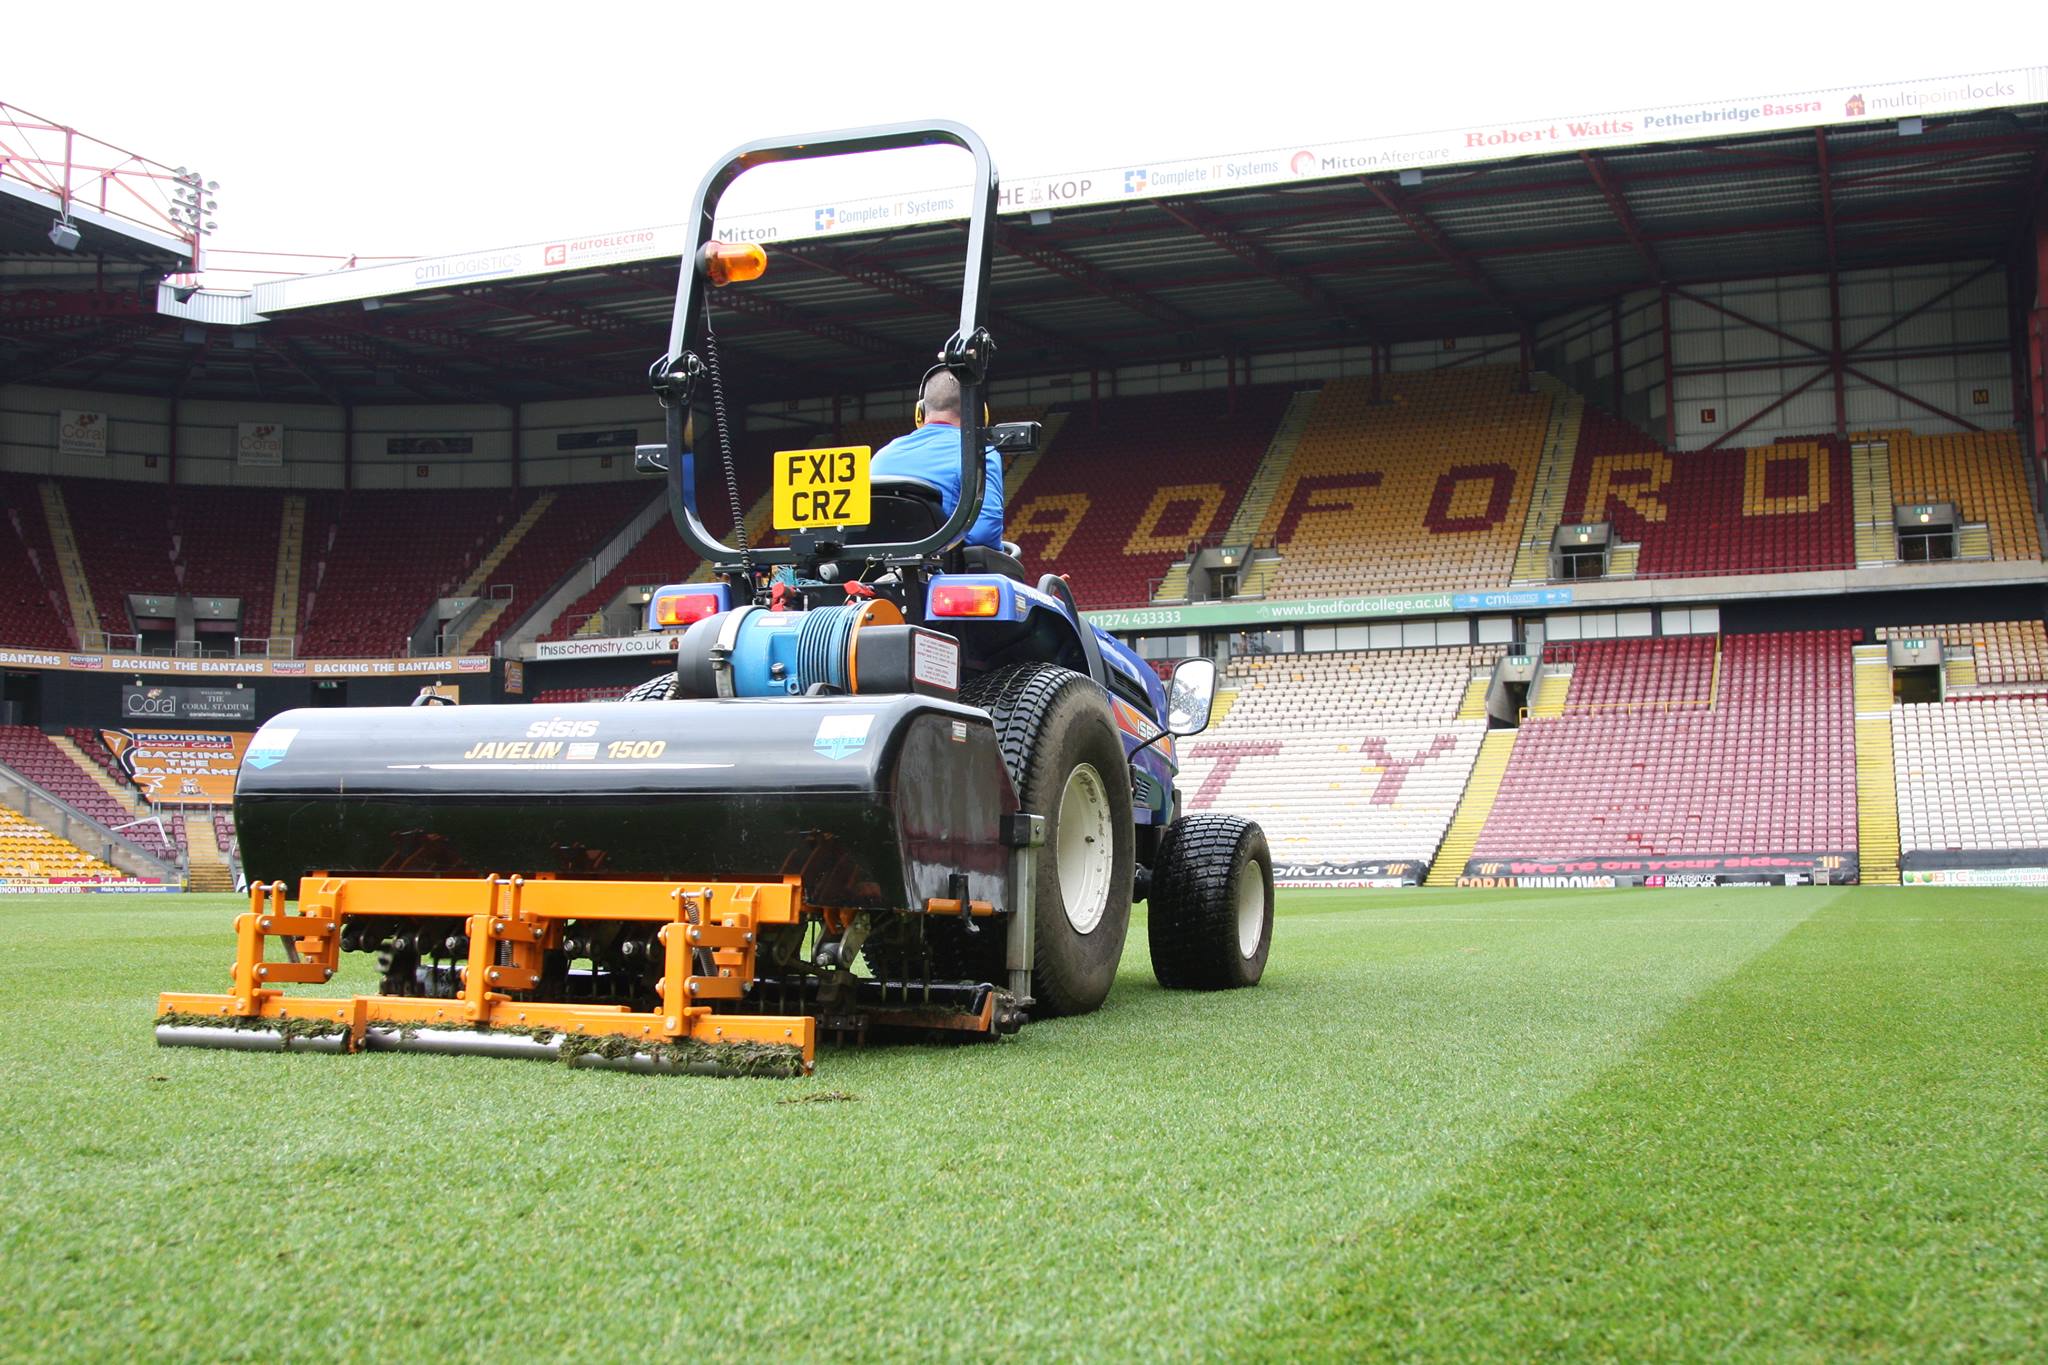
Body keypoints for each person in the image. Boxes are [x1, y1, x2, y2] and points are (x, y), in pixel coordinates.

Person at [870, 369, 1005, 549]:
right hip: (944, 572)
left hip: (873, 572)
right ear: (979, 412)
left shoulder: (881, 456)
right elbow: (984, 534)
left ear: (920, 411)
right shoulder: (978, 452)